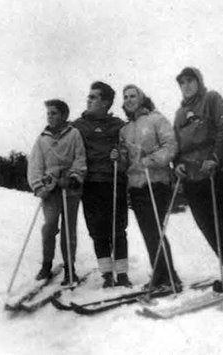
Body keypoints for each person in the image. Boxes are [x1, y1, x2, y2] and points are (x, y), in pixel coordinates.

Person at [173, 67, 223, 293]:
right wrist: (176, 163)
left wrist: (215, 157)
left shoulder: (211, 99)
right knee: (206, 225)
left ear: (199, 81)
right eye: (182, 83)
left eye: (190, 81)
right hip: (192, 177)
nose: (186, 86)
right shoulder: (179, 114)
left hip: (213, 172)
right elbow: (175, 143)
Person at [115, 84, 182, 292]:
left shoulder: (156, 119)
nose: (129, 99)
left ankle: (168, 277)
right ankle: (162, 274)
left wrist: (152, 159)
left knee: (154, 230)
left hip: (156, 182)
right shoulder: (125, 129)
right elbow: (127, 161)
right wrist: (119, 157)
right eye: (125, 96)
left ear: (142, 98)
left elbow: (171, 146)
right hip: (136, 185)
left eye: (133, 95)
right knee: (149, 231)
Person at [72, 82, 131, 288]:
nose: (89, 100)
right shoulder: (77, 126)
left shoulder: (118, 125)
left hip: (114, 182)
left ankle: (122, 274)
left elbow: (127, 153)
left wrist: (120, 156)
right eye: (89, 96)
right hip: (90, 184)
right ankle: (107, 274)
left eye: (94, 97)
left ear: (106, 102)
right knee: (97, 230)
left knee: (117, 229)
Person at [27, 99, 87, 285]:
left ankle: (70, 268)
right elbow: (35, 166)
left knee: (69, 230)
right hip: (50, 190)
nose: (50, 117)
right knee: (49, 226)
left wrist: (72, 178)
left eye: (54, 113)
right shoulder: (42, 139)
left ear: (64, 115)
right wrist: (39, 186)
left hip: (70, 190)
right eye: (48, 113)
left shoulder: (74, 134)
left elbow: (80, 159)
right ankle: (46, 264)